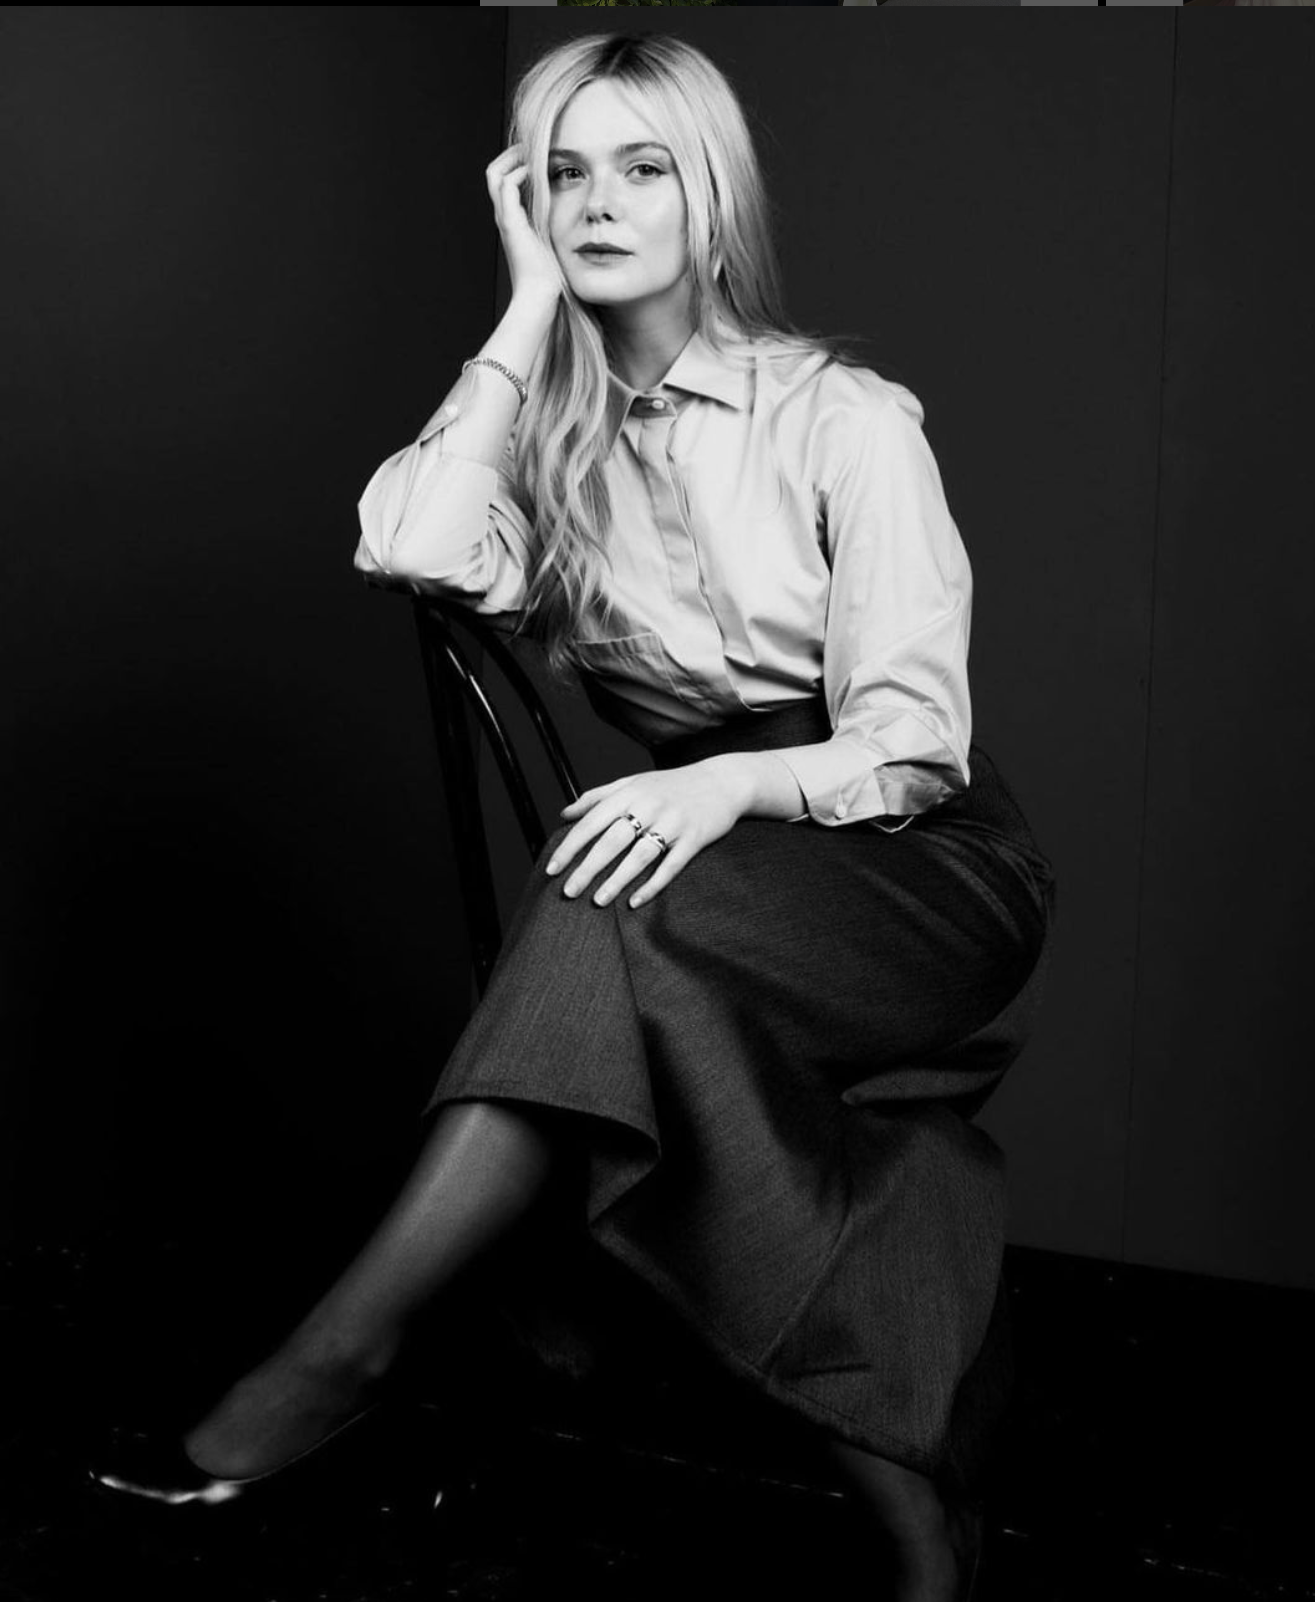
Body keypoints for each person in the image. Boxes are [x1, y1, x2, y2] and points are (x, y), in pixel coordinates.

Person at [93, 32, 1055, 1602]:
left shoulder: (842, 419)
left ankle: (344, 1348)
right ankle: (914, 1515)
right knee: (627, 920)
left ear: (709, 196)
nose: (597, 202)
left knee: (608, 894)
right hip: (699, 865)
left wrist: (722, 780)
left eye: (642, 167)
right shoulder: (545, 445)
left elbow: (913, 742)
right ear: (526, 203)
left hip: (911, 857)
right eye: (563, 173)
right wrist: (525, 306)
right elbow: (409, 543)